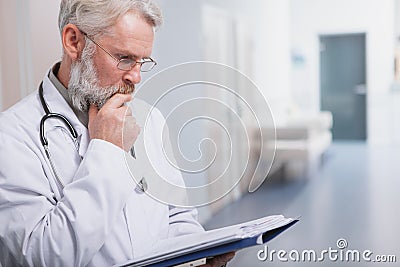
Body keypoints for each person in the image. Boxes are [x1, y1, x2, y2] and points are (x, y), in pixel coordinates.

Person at [0, 0, 235, 266]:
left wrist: (196, 258)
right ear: (73, 41)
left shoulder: (149, 119)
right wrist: (107, 150)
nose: (136, 77)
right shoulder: (11, 137)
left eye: (142, 61)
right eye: (125, 59)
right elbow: (42, 256)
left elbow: (177, 217)